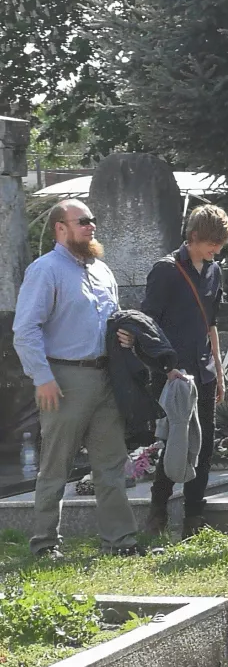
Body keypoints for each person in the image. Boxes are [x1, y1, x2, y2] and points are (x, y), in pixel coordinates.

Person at [12, 199, 141, 558]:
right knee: (55, 465)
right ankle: (44, 544)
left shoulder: (102, 270)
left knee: (111, 464)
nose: (91, 226)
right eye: (82, 221)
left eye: (92, 220)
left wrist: (125, 337)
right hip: (63, 380)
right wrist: (42, 378)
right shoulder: (45, 270)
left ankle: (120, 542)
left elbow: (112, 320)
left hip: (105, 377)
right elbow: (25, 330)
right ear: (60, 228)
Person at [141, 205, 228, 538]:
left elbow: (211, 325)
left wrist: (220, 372)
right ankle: (157, 514)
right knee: (175, 441)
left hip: (204, 371)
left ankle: (194, 517)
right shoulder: (165, 270)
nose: (217, 249)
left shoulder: (214, 271)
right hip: (173, 374)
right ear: (194, 236)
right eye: (212, 242)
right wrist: (165, 368)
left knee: (205, 444)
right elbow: (147, 325)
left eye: (221, 244)